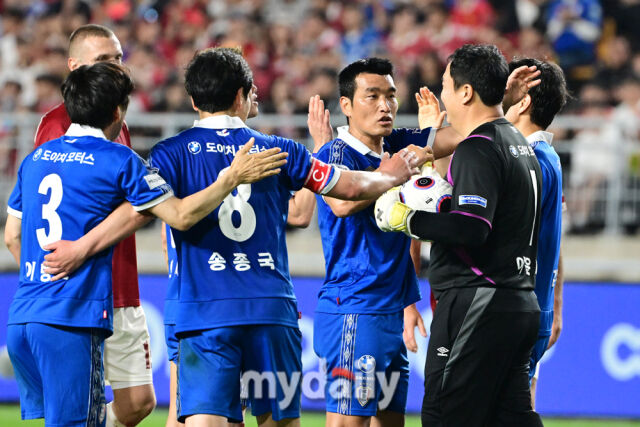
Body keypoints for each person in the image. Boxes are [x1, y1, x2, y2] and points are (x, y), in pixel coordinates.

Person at [4, 62, 286, 427]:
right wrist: (230, 178)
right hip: (71, 317)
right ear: (118, 112)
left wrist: (44, 280)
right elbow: (180, 215)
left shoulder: (34, 159)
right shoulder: (119, 159)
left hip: (23, 317)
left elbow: (12, 235)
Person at [148, 47, 418, 427]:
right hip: (272, 313)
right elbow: (346, 188)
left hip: (205, 312)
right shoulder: (280, 150)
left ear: (193, 100)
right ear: (242, 96)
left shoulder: (168, 154)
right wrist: (391, 174)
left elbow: (169, 220)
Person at [375, 44, 544, 426]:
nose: (443, 94)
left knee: (444, 414)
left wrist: (407, 219)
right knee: (512, 417)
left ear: (466, 92)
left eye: (446, 85)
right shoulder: (519, 144)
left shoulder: (478, 147)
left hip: (477, 302)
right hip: (519, 302)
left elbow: (472, 227)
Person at [32, 24, 153, 427]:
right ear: (74, 66)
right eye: (104, 59)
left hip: (123, 283)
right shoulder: (57, 125)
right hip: (83, 290)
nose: (116, 66)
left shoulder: (116, 120)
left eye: (118, 57)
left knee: (138, 402)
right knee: (81, 405)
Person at [312, 58, 441, 427]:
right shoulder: (335, 153)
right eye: (372, 96)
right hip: (355, 309)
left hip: (390, 311)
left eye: (391, 96)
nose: (385, 106)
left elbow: (455, 140)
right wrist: (390, 173)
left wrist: (433, 131)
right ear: (347, 105)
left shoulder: (397, 144)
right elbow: (340, 203)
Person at [505, 57, 568, 407]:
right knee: (517, 407)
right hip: (531, 307)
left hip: (515, 309)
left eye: (506, 90)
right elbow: (554, 237)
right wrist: (555, 305)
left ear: (523, 101)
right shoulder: (547, 156)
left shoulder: (532, 161)